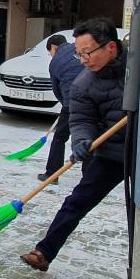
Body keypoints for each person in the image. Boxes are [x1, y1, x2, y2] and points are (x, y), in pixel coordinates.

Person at [21, 18, 127, 272]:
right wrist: (81, 142)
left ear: (111, 47)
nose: (83, 60)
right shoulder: (83, 83)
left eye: (86, 53)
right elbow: (81, 120)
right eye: (79, 54)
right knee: (77, 201)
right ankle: (44, 252)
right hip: (111, 151)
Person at [40, 34, 85, 184]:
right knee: (90, 136)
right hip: (94, 98)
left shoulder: (54, 63)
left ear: (53, 47)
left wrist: (65, 103)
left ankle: (52, 174)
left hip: (72, 100)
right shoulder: (79, 49)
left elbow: (56, 89)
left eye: (49, 52)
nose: (50, 55)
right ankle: (89, 175)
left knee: (60, 137)